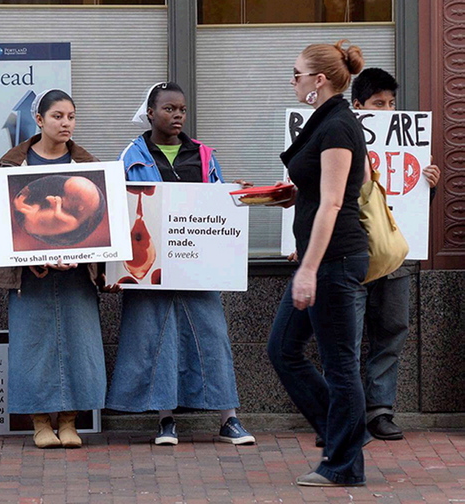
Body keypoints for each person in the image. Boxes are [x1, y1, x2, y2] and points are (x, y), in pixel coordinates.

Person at [105, 82, 256, 447]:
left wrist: (234, 197)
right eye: (169, 109)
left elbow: (216, 198)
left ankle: (228, 418)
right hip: (149, 264)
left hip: (197, 262)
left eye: (182, 110)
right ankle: (165, 419)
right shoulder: (132, 155)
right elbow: (120, 207)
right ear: (151, 113)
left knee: (212, 335)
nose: (177, 116)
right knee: (155, 338)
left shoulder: (204, 155)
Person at [0, 89, 107, 449]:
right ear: (39, 120)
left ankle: (68, 421)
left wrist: (92, 259)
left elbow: (100, 222)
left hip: (78, 274)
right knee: (31, 346)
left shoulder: (89, 168)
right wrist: (34, 256)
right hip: (29, 277)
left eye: (71, 117)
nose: (66, 124)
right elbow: (1, 225)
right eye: (58, 116)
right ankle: (39, 423)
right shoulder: (12, 167)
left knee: (80, 344)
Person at [267, 40, 369, 487]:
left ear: (319, 80)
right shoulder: (326, 120)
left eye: (297, 73)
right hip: (324, 257)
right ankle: (346, 433)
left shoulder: (337, 126)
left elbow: (334, 202)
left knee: (339, 364)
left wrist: (307, 269)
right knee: (282, 349)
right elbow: (343, 184)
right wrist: (295, 194)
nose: (293, 80)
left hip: (334, 260)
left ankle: (344, 464)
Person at [350, 67, 440, 440]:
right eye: (377, 103)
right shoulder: (338, 139)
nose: (387, 110)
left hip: (394, 260)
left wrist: (427, 187)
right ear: (358, 106)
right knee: (346, 339)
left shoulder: (407, 149)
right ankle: (344, 414)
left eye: (391, 103)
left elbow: (409, 208)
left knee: (391, 333)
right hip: (351, 257)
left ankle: (380, 411)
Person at [13, 175, 105, 240]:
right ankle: (21, 204)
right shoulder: (70, 216)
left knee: (32, 215)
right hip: (39, 220)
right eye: (65, 194)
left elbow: (57, 214)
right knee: (34, 210)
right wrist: (53, 203)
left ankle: (21, 206)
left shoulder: (73, 222)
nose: (63, 198)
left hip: (35, 226)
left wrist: (57, 204)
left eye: (68, 197)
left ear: (80, 207)